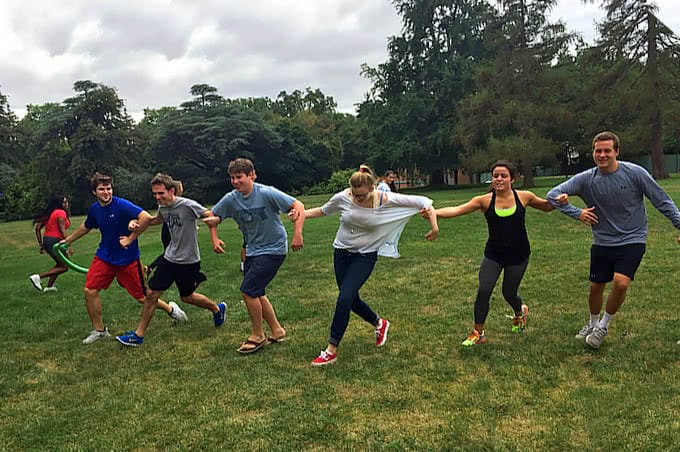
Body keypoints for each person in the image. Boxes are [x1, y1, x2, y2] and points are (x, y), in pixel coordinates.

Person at [547, 131, 680, 349]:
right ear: (593, 153)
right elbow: (553, 195)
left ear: (616, 152)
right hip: (602, 241)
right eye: (598, 151)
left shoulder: (635, 173)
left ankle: (603, 327)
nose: (602, 155)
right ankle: (592, 323)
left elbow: (661, 200)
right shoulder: (586, 179)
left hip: (633, 238)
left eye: (607, 150)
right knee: (596, 287)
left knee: (621, 282)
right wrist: (576, 212)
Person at [299, 167, 439, 366]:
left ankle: (331, 349)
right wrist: (301, 214)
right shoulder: (343, 197)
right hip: (341, 253)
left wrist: (434, 226)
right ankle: (379, 323)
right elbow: (323, 211)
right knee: (351, 299)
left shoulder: (385, 199)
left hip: (365, 256)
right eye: (355, 195)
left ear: (373, 188)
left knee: (344, 298)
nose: (358, 199)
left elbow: (423, 201)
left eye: (362, 195)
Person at [428, 160, 559, 347]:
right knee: (483, 290)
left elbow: (547, 207)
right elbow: (457, 210)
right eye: (495, 175)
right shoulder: (484, 200)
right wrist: (434, 213)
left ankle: (520, 313)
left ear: (512, 179)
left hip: (518, 255)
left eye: (503, 176)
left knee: (509, 293)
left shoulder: (524, 197)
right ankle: (478, 333)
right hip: (493, 255)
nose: (498, 179)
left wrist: (560, 201)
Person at [61, 172, 188, 345]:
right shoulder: (95, 210)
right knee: (90, 290)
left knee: (143, 298)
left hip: (127, 259)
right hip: (104, 256)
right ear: (94, 192)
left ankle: (171, 309)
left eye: (108, 188)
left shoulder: (121, 205)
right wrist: (67, 241)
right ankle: (100, 331)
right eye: (101, 189)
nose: (106, 192)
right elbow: (86, 226)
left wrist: (131, 236)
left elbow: (144, 217)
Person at [206, 158, 305, 354]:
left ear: (252, 175)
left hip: (274, 248)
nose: (235, 182)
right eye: (232, 178)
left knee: (248, 290)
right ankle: (277, 330)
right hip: (252, 249)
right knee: (257, 291)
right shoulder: (231, 199)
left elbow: (298, 205)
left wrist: (297, 233)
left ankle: (258, 335)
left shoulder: (266, 192)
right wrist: (214, 239)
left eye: (239, 177)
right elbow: (213, 216)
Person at [115, 174, 226, 346]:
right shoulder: (163, 207)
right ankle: (138, 336)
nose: (157, 198)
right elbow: (156, 220)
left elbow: (210, 215)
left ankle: (217, 309)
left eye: (161, 193)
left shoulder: (188, 205)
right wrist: (134, 223)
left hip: (189, 261)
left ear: (171, 190)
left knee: (187, 297)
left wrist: (214, 240)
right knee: (151, 294)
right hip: (170, 258)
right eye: (155, 194)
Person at [30, 194, 71, 292]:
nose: (67, 204)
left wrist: (41, 244)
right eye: (64, 202)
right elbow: (62, 229)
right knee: (65, 267)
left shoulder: (53, 213)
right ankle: (38, 277)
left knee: (60, 264)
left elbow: (38, 228)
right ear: (60, 204)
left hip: (49, 240)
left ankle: (49, 286)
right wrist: (69, 244)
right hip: (54, 241)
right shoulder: (60, 212)